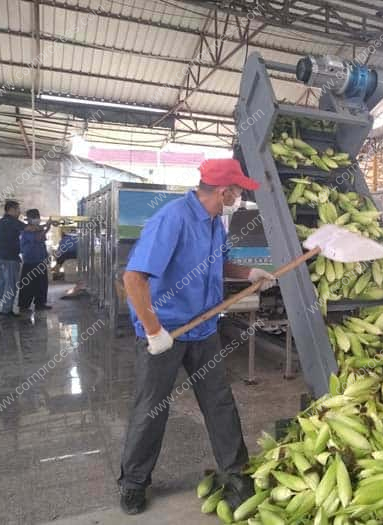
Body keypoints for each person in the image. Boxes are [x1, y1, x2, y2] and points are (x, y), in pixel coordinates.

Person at [118, 159, 276, 515]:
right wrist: (154, 331)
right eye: (237, 191)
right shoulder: (172, 219)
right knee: (151, 408)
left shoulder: (214, 224)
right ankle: (133, 483)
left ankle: (235, 473)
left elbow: (218, 265)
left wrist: (249, 272)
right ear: (224, 191)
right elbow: (134, 278)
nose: (240, 196)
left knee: (219, 401)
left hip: (203, 328)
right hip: (167, 330)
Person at [0, 200, 35, 317]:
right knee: (11, 285)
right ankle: (6, 311)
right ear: (11, 209)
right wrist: (46, 225)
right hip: (10, 258)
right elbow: (30, 229)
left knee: (1, 284)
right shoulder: (12, 221)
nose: (19, 212)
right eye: (18, 209)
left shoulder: (0, 222)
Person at [18, 209, 55, 311]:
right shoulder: (26, 230)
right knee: (28, 285)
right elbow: (38, 238)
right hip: (30, 261)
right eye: (34, 216)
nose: (37, 218)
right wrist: (47, 226)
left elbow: (41, 241)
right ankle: (24, 305)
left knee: (42, 284)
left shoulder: (37, 228)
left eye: (37, 216)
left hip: (40, 260)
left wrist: (46, 257)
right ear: (28, 219)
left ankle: (40, 303)